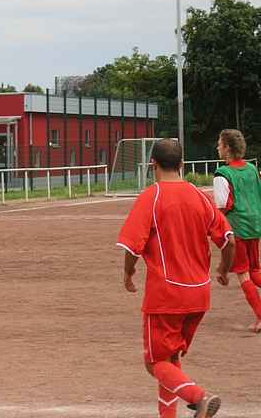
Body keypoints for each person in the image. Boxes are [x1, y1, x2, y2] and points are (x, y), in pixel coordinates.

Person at [116, 139, 234, 418]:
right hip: (199, 294)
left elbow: (133, 246)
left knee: (154, 362)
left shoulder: (151, 196)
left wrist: (128, 271)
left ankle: (200, 397)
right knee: (170, 359)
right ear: (182, 165)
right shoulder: (197, 196)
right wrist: (223, 270)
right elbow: (229, 240)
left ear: (152, 165)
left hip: (166, 295)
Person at [213, 128, 261, 333]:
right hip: (255, 224)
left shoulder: (222, 174)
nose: (217, 147)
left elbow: (223, 204)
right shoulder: (251, 169)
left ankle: (260, 316)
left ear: (227, 148)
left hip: (238, 227)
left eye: (219, 144)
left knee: (243, 274)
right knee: (255, 270)